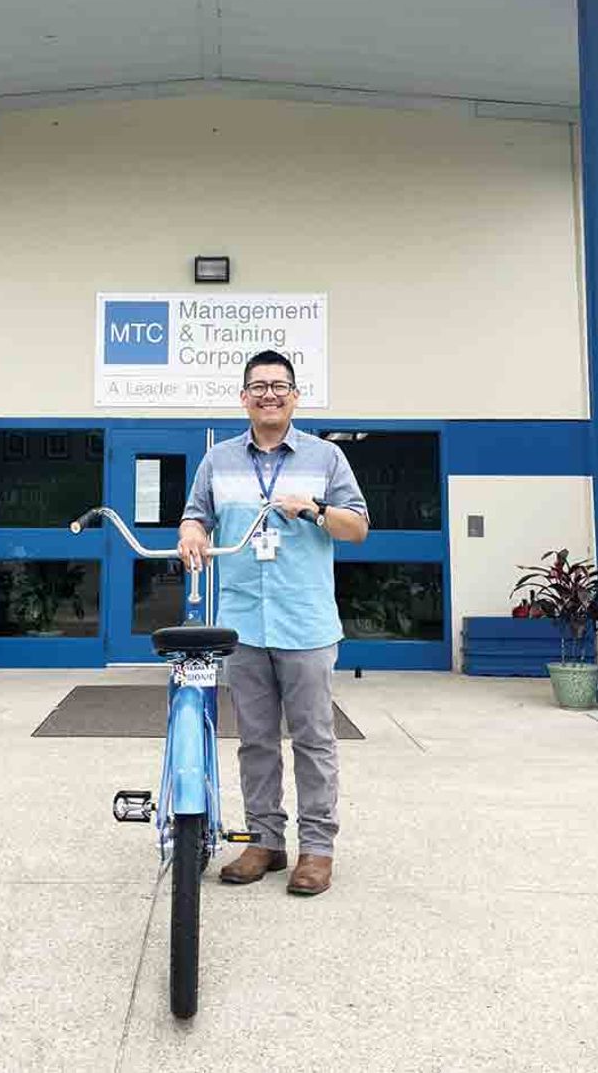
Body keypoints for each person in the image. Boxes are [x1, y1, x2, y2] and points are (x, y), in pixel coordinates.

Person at [178, 349, 369, 897]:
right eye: (257, 386)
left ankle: (317, 849)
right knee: (256, 740)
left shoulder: (326, 458)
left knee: (313, 739)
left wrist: (311, 508)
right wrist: (191, 530)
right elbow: (197, 513)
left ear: (294, 396)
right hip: (242, 621)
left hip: (305, 620)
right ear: (243, 397)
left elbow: (356, 528)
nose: (268, 394)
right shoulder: (217, 460)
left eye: (279, 385)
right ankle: (264, 840)